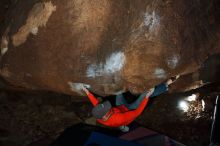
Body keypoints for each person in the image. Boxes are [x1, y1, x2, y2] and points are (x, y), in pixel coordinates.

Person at [82, 75, 180, 132]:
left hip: (120, 106)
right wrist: (146, 97)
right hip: (130, 110)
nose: (108, 105)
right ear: (105, 115)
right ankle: (167, 84)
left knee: (118, 92)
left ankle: (121, 126)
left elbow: (95, 103)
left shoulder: (99, 114)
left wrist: (87, 92)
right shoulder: (119, 118)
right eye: (107, 108)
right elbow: (137, 112)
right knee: (145, 95)